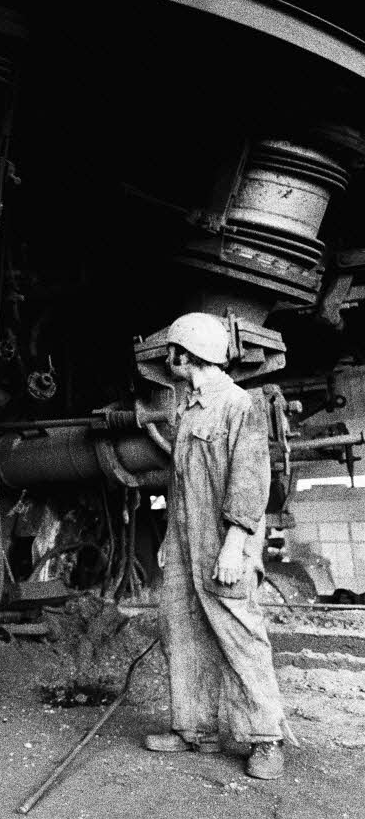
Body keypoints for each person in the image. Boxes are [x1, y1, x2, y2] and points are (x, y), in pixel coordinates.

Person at [148, 312, 287, 779]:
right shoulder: (188, 410)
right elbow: (180, 484)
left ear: (185, 355)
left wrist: (233, 546)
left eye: (172, 351)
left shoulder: (239, 404)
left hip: (224, 542)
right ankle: (196, 729)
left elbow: (249, 484)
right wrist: (171, 539)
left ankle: (265, 738)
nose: (169, 358)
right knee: (182, 629)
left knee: (240, 634)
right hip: (186, 541)